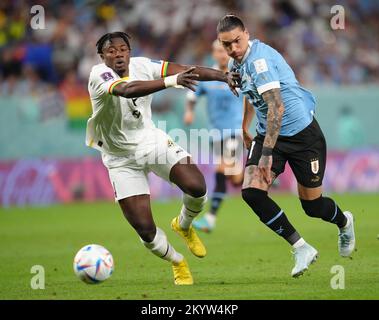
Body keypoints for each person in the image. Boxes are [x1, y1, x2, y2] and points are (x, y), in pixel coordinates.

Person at [86, 32, 240, 285]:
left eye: (123, 49)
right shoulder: (98, 75)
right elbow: (126, 90)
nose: (118, 54)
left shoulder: (143, 66)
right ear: (102, 57)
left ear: (129, 51)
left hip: (151, 142)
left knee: (197, 186)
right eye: (111, 51)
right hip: (120, 158)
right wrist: (171, 81)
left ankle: (184, 224)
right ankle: (177, 261)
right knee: (145, 230)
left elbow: (187, 70)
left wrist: (223, 77)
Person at [216, 15, 356, 277]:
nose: (233, 48)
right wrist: (244, 127)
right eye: (227, 44)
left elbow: (276, 108)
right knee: (252, 192)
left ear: (246, 33)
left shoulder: (260, 62)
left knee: (313, 207)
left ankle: (345, 221)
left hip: (303, 137)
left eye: (236, 41)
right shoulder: (240, 61)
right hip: (268, 132)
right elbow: (253, 94)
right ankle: (301, 247)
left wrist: (267, 154)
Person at [183, 40, 248, 233]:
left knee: (221, 169)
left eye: (223, 51)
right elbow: (192, 95)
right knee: (235, 179)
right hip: (216, 134)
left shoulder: (238, 73)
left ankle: (210, 218)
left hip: (235, 132)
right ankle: (263, 174)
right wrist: (189, 111)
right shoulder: (208, 76)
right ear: (213, 53)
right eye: (217, 51)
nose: (221, 54)